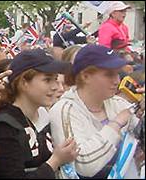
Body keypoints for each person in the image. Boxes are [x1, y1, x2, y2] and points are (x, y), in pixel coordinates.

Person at [49, 44, 144, 178]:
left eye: (117, 74)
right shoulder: (64, 110)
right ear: (85, 76)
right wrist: (115, 125)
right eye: (109, 74)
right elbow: (84, 167)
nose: (117, 80)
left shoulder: (119, 104)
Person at [0, 49, 78, 178]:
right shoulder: (5, 126)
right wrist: (55, 161)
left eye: (55, 79)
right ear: (24, 82)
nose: (56, 87)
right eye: (47, 80)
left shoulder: (46, 115)